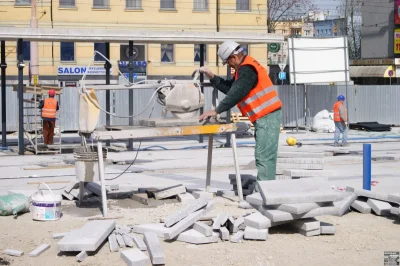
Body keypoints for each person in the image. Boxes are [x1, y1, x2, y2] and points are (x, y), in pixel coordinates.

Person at [198, 40, 282, 181]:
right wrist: (213, 77)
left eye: (227, 62)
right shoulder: (244, 69)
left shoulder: (247, 69)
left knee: (264, 157)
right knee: (264, 156)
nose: (229, 65)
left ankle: (265, 193)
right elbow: (231, 88)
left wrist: (217, 110)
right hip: (265, 117)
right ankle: (266, 189)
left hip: (267, 116)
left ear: (234, 57)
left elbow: (236, 93)